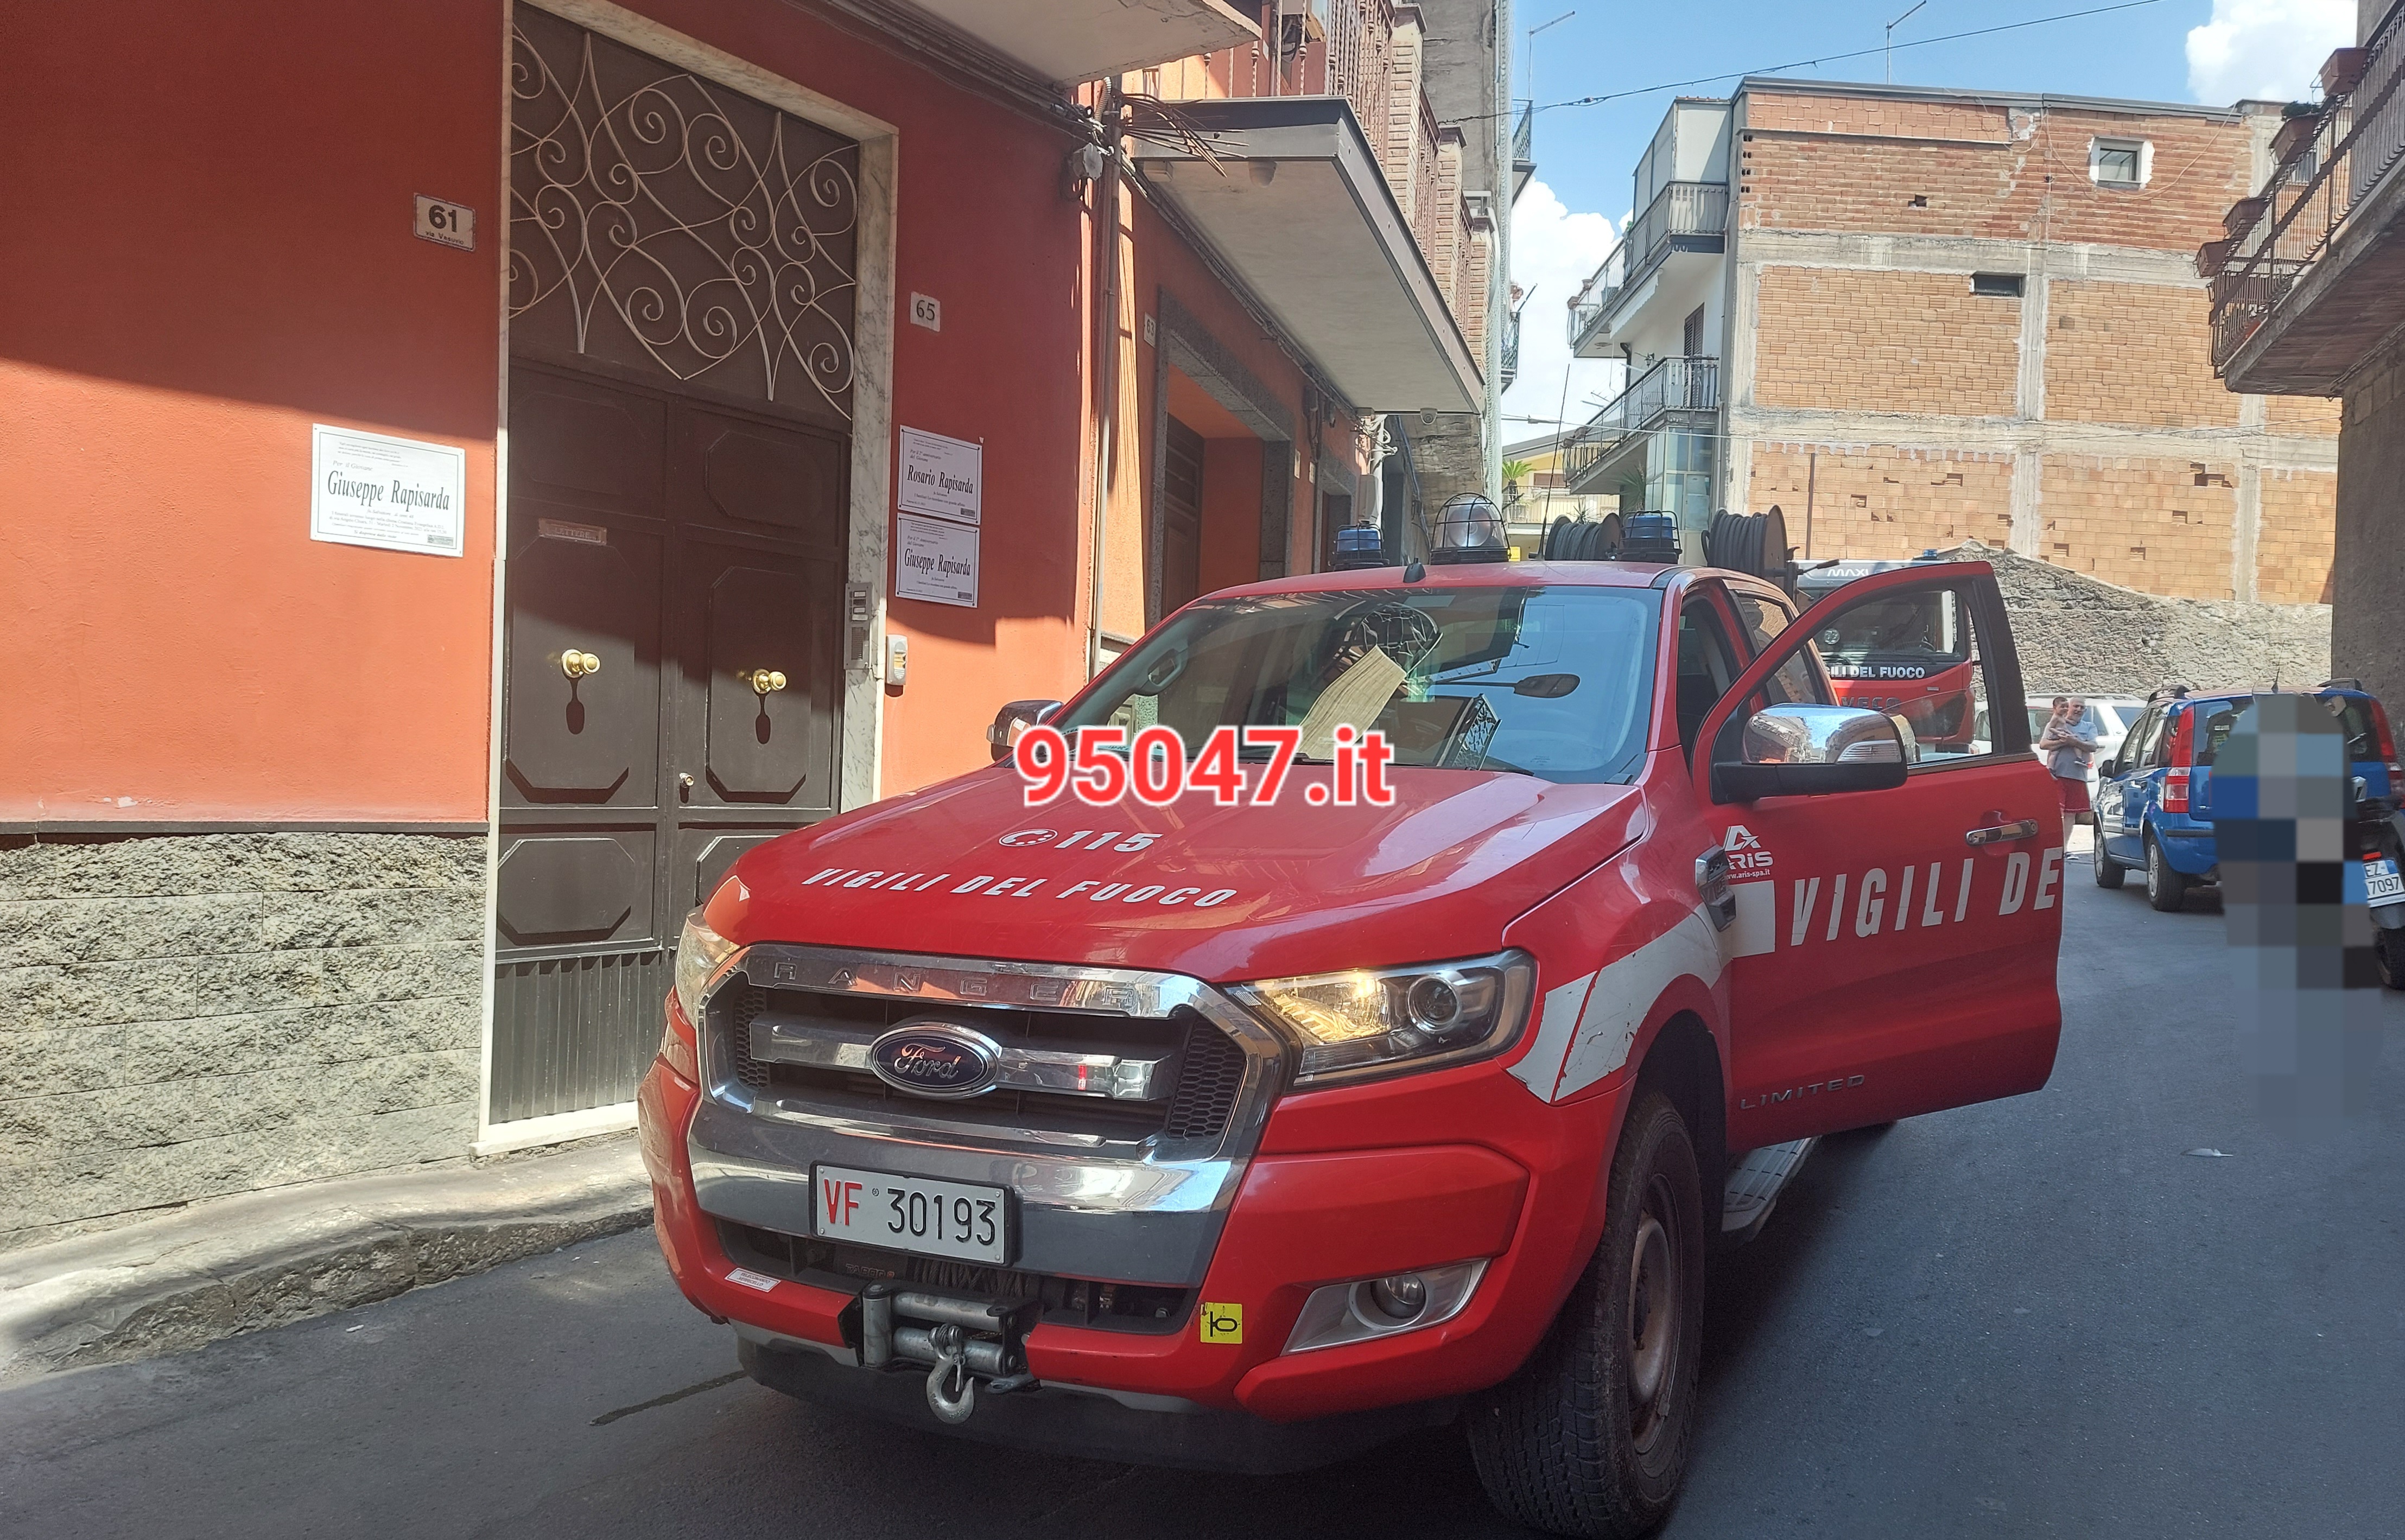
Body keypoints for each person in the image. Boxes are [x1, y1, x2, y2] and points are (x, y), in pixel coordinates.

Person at [2037, 696, 2099, 850]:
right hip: (2057, 775)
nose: (2078, 710)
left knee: (2071, 815)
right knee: (2056, 813)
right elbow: (2043, 744)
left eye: (2082, 708)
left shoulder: (2089, 727)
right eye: (2076, 706)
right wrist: (2063, 742)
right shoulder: (2057, 722)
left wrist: (2075, 742)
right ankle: (2053, 846)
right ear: (2068, 707)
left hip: (2078, 776)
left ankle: (2064, 848)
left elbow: (2092, 746)